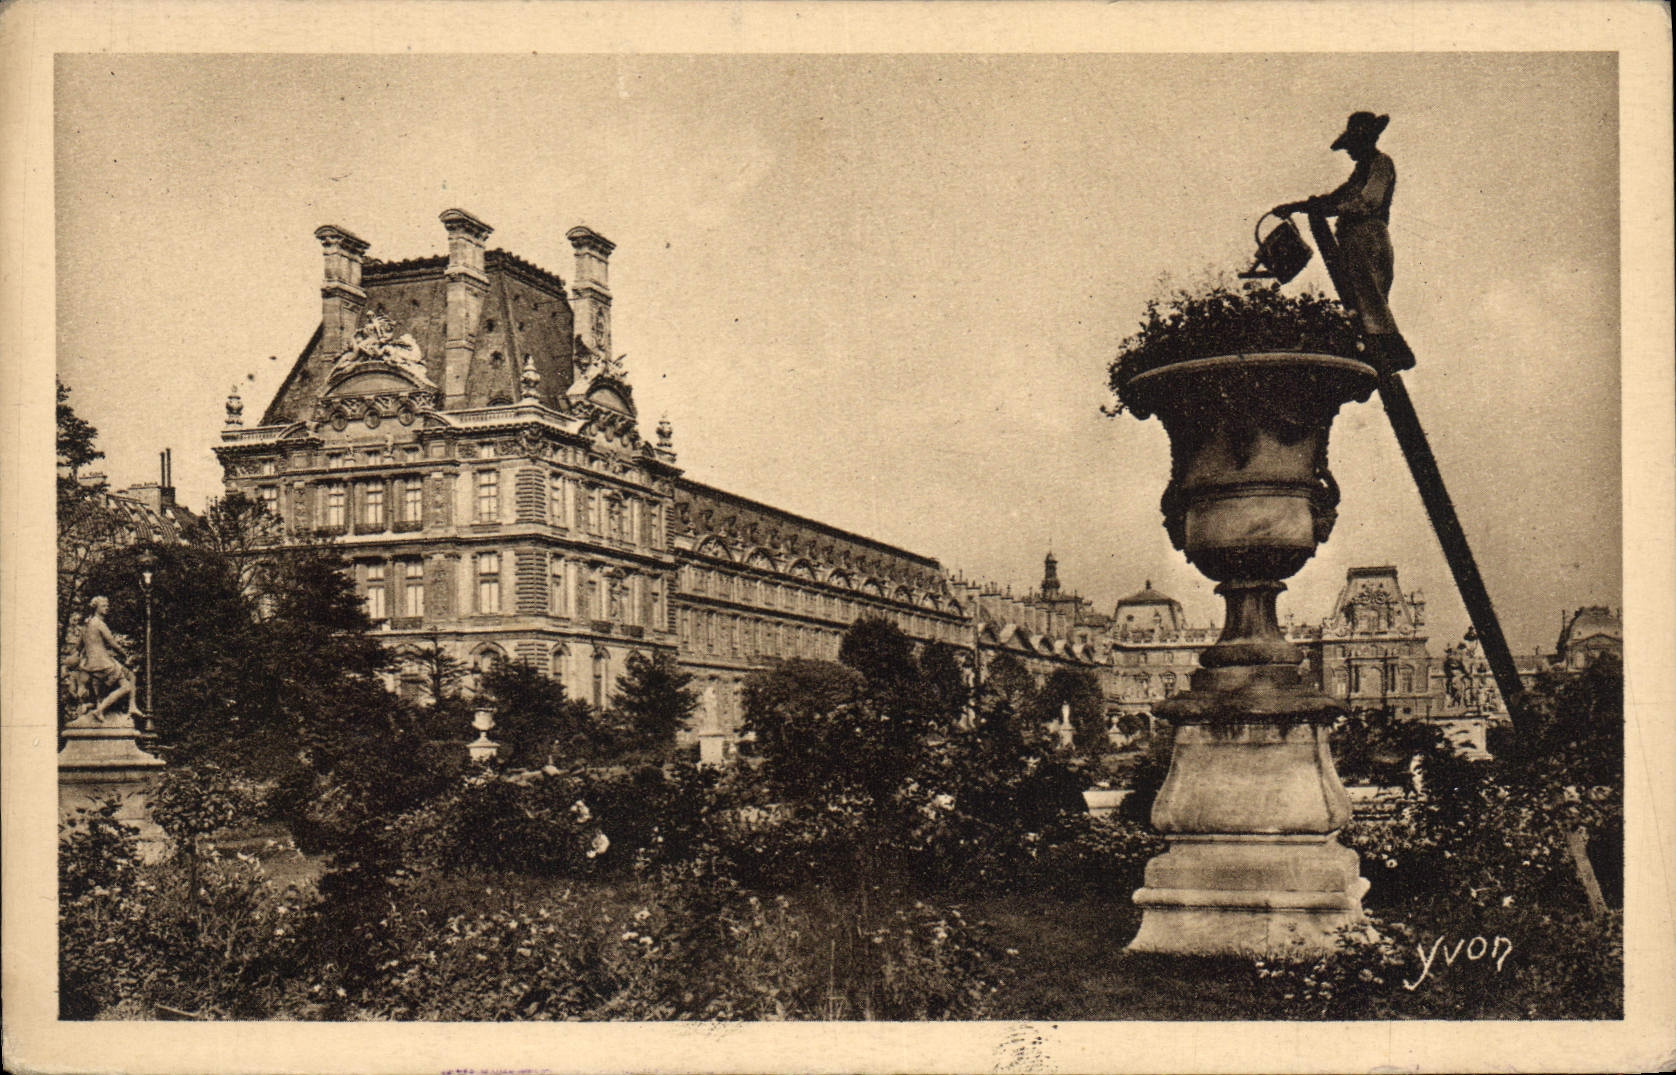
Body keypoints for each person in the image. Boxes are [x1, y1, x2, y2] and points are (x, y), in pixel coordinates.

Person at [1275, 111, 1415, 371]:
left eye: (1353, 146)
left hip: (1368, 236)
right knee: (1361, 294)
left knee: (1369, 293)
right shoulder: (1359, 173)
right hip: (1353, 238)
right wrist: (1298, 206)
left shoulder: (1381, 164)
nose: (1350, 152)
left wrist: (1328, 207)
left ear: (1366, 141)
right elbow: (1334, 200)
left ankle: (1394, 349)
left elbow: (1366, 202)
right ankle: (1377, 349)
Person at [76, 595, 142, 722]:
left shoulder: (86, 625)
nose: (107, 608)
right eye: (104, 606)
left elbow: (79, 646)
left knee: (102, 691)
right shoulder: (100, 624)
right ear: (96, 608)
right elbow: (112, 643)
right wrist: (125, 654)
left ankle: (99, 708)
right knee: (127, 685)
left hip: (90, 666)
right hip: (105, 664)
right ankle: (103, 710)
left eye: (107, 606)